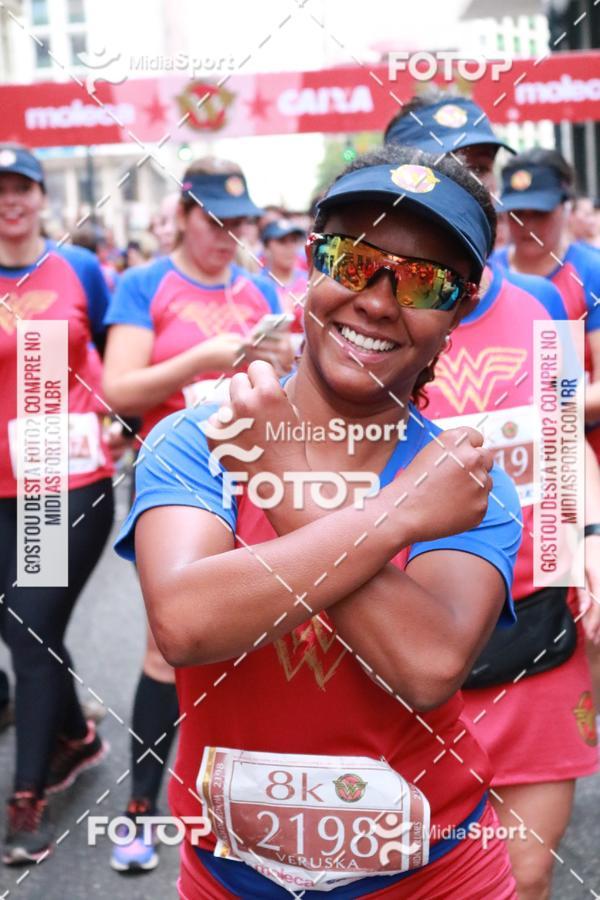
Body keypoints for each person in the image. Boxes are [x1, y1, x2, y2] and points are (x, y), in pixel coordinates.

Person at [115, 145, 523, 898]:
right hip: (231, 878)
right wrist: (397, 516)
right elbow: (185, 622)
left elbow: (427, 666)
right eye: (354, 258)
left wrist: (275, 479)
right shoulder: (195, 438)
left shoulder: (466, 482)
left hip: (434, 876)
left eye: (423, 280)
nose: (375, 299)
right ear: (313, 262)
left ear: (460, 310)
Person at [385, 92, 600, 900]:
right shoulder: (367, 308)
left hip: (535, 620)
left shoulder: (543, 302)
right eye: (448, 170)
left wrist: (591, 539)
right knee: (414, 871)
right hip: (405, 630)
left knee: (525, 871)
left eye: (480, 168)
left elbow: (559, 438)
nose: (471, 186)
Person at [102, 156, 294, 873]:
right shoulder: (144, 284)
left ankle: (245, 809)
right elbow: (116, 388)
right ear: (183, 215)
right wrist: (204, 359)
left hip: (255, 486)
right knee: (168, 645)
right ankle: (140, 811)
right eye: (212, 219)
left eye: (238, 222)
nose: (226, 234)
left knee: (246, 645)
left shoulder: (259, 287)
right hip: (174, 484)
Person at [0, 145, 113, 864]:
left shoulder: (81, 270)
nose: (10, 201)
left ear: (42, 198)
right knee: (24, 627)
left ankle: (29, 795)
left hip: (57, 479)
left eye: (22, 189)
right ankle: (74, 734)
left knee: (31, 628)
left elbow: (108, 353)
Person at [261, 218, 308, 336]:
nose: (290, 247)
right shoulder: (256, 285)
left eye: (294, 241)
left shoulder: (310, 282)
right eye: (282, 241)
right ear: (266, 248)